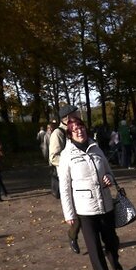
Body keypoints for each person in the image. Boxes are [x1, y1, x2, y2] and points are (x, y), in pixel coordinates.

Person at [57, 115, 124, 270]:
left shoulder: (96, 148)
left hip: (106, 204)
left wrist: (109, 178)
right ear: (70, 135)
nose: (80, 131)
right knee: (94, 248)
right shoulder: (66, 156)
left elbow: (109, 172)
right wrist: (69, 214)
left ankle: (115, 261)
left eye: (81, 127)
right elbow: (64, 187)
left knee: (111, 242)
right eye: (75, 129)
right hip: (85, 209)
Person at [50, 105, 82, 254]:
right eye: (76, 112)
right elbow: (53, 157)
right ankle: (72, 236)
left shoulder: (77, 129)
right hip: (68, 180)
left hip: (82, 177)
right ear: (68, 117)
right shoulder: (58, 133)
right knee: (77, 215)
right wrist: (70, 162)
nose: (79, 114)